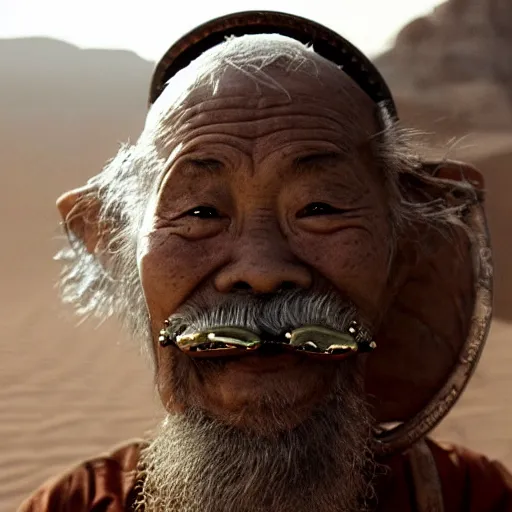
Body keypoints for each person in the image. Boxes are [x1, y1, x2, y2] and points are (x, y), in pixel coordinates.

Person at [18, 11, 512, 512]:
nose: (259, 269)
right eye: (199, 212)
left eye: (319, 209)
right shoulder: (73, 505)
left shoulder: (473, 498)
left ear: (408, 250)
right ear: (114, 246)